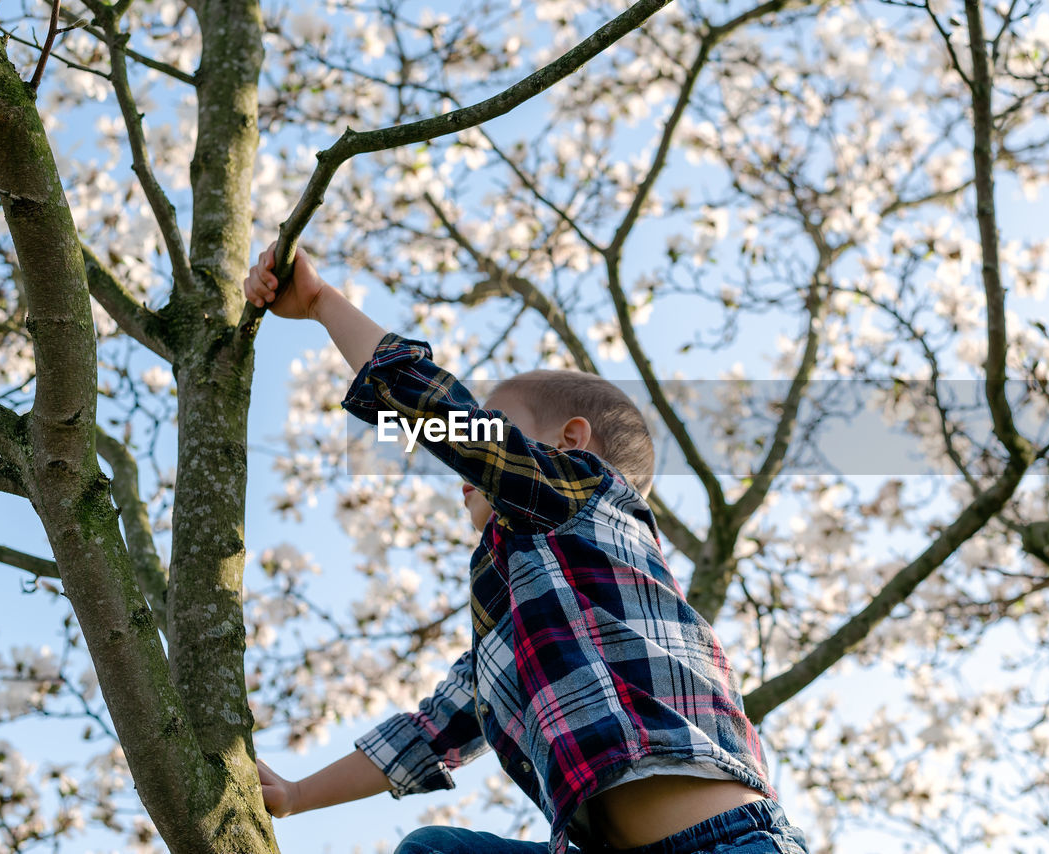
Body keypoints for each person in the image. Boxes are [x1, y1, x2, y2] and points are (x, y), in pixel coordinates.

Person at [245, 244, 809, 854]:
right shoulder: (510, 624)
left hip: (723, 843)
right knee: (436, 850)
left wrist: (324, 302)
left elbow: (450, 421)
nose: (466, 463)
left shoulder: (585, 492)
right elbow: (430, 734)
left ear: (569, 443)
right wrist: (297, 795)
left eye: (499, 424)